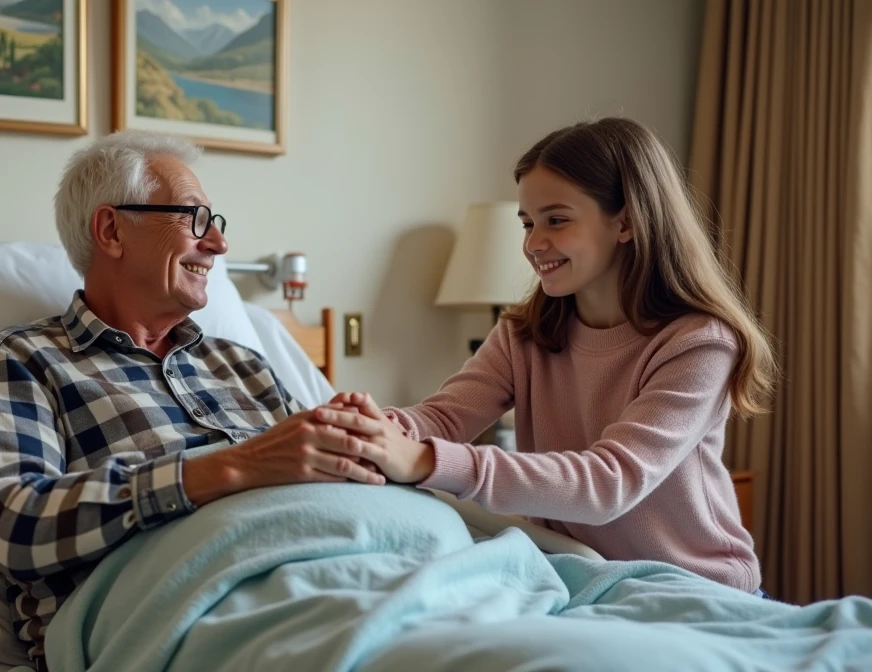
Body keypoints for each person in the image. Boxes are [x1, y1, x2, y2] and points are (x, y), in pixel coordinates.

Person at [0, 131, 382, 672]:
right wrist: (229, 468)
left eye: (215, 222)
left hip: (336, 577)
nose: (219, 244)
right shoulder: (19, 360)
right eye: (194, 218)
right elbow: (16, 523)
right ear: (111, 230)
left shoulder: (242, 364)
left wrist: (368, 445)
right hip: (171, 627)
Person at [318, 117, 778, 595]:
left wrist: (423, 460)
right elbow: (444, 417)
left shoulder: (699, 343)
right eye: (527, 223)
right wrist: (375, 430)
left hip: (695, 588)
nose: (533, 243)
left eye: (556, 220)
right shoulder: (524, 333)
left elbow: (609, 483)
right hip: (580, 577)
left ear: (625, 222)